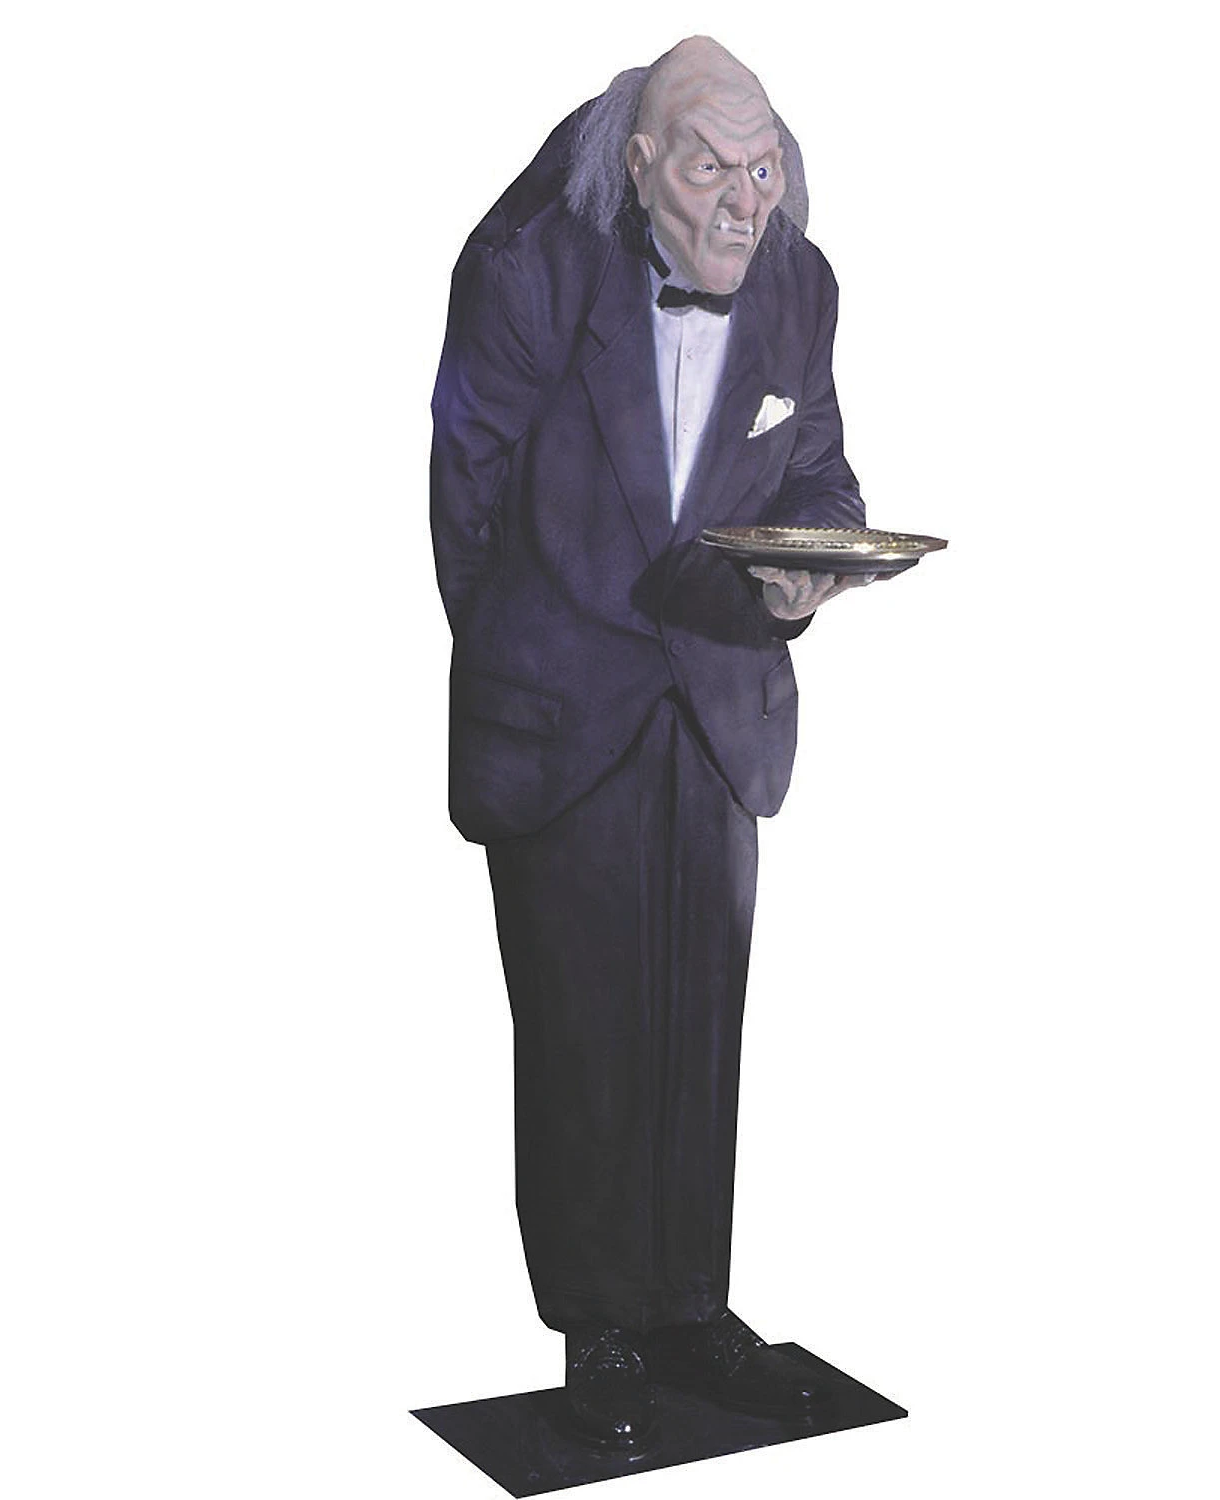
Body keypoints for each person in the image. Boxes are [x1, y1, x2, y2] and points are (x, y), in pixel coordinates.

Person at [430, 36, 871, 1449]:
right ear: (638, 164)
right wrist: (524, 648)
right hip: (562, 711)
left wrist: (811, 567)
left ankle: (689, 1305)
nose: (747, 202)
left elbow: (818, 466)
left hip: (720, 701)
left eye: (766, 169)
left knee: (697, 1024)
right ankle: (599, 1323)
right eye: (712, 167)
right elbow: (464, 486)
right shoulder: (534, 269)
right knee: (583, 1033)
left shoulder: (799, 282)